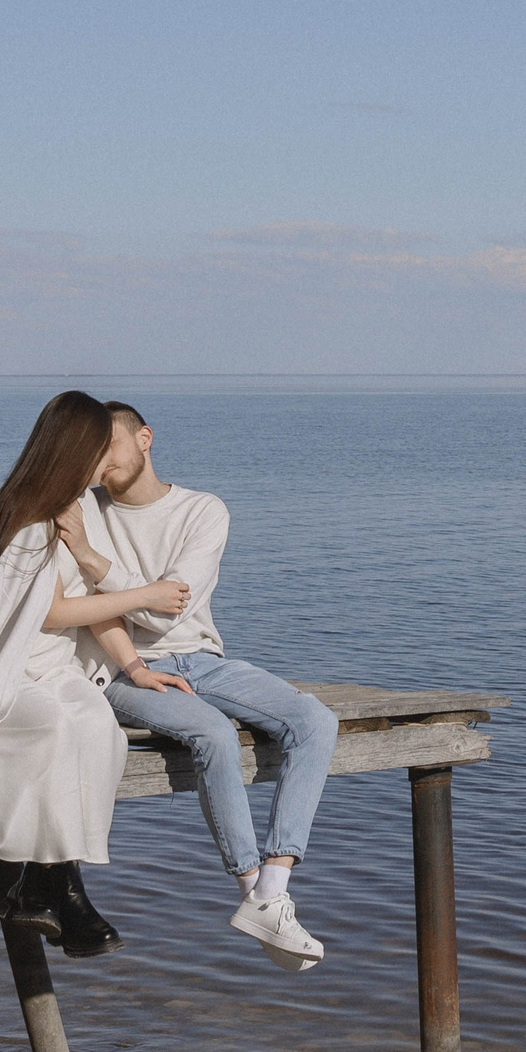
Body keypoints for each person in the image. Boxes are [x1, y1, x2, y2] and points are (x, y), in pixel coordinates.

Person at [0, 389, 190, 958]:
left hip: (55, 668)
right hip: (11, 674)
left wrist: (134, 665)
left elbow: (74, 598)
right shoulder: (30, 517)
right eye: (96, 449)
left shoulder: (73, 511)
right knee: (56, 726)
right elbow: (51, 611)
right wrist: (146, 594)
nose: (105, 462)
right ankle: (61, 891)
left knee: (95, 726)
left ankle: (42, 885)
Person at [55, 399, 339, 970]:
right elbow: (128, 615)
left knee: (316, 720)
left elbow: (168, 613)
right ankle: (250, 888)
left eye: (108, 446)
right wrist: (86, 552)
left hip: (200, 659)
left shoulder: (203, 511)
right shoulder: (79, 508)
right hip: (115, 668)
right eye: (89, 453)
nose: (100, 462)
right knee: (211, 732)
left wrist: (92, 558)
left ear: (144, 439)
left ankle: (272, 890)